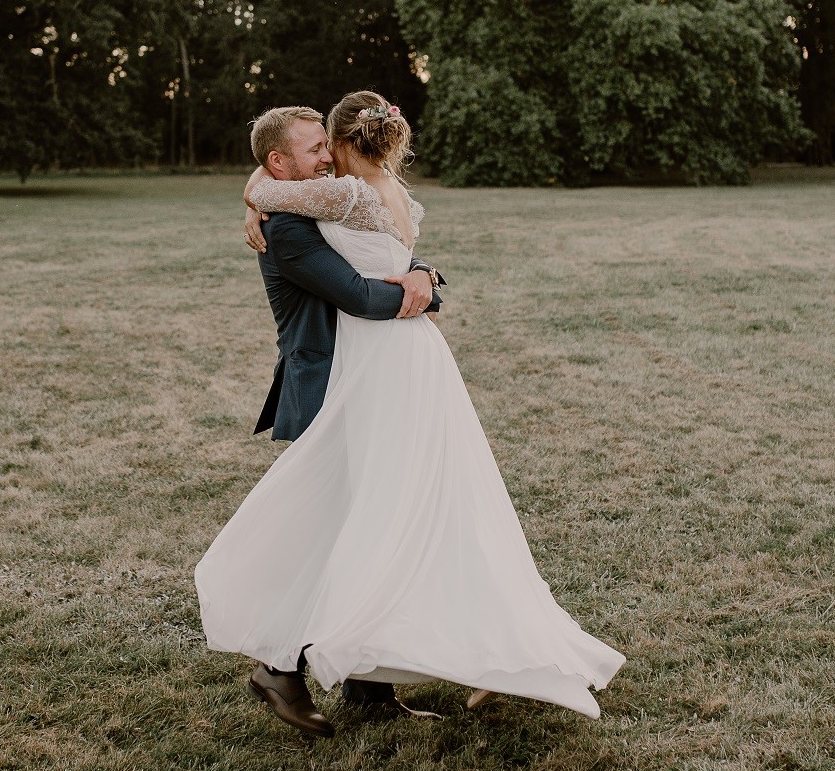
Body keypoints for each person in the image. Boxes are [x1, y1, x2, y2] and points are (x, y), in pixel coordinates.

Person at [195, 91, 623, 737]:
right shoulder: (286, 221)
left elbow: (385, 245)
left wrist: (420, 271)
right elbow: (361, 294)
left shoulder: (326, 194)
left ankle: (369, 684)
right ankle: (276, 663)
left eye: (325, 146)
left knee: (382, 523)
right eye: (312, 152)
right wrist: (417, 286)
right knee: (331, 525)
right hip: (337, 386)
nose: (324, 161)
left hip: (382, 381)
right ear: (281, 162)